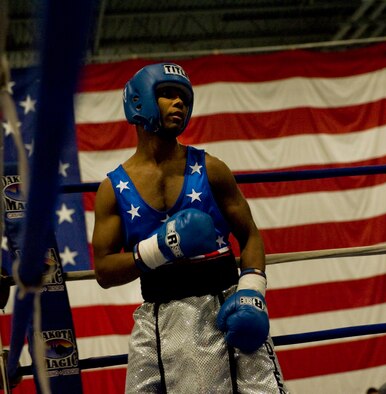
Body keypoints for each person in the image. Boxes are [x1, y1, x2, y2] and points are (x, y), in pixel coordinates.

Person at [92, 62, 288, 393]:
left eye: (183, 96)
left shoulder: (211, 169)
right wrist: (162, 247)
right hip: (159, 317)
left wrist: (252, 292)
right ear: (139, 102)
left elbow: (250, 234)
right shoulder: (114, 189)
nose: (179, 103)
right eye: (167, 94)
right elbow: (104, 270)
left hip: (226, 307)